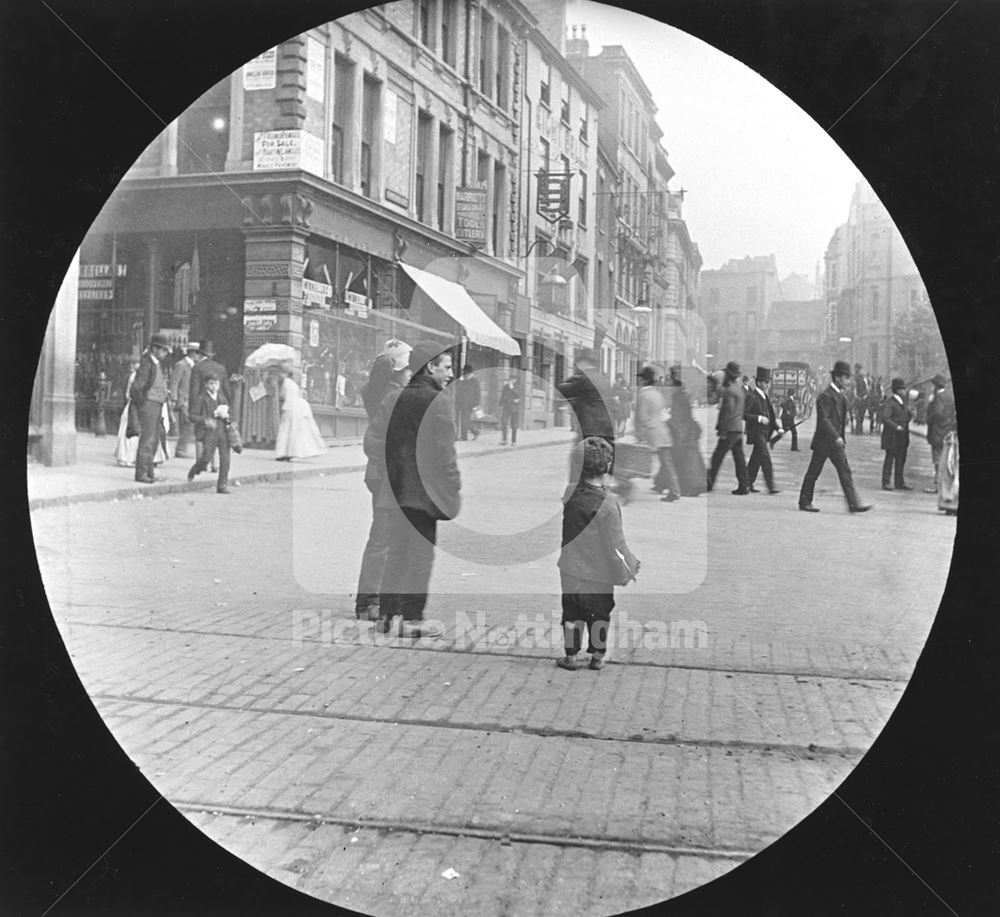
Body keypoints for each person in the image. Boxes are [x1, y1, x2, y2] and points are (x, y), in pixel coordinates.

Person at [366, 342, 460, 639]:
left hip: (393, 490)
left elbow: (373, 442)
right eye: (446, 367)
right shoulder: (440, 402)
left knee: (396, 552)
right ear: (430, 367)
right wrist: (452, 487)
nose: (451, 373)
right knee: (420, 556)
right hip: (424, 493)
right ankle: (412, 620)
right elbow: (446, 455)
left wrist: (392, 468)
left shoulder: (393, 398)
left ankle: (385, 615)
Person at [555, 437, 640, 672]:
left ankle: (571, 657)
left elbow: (583, 488)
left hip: (570, 569)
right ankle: (597, 657)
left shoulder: (570, 492)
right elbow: (616, 545)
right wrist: (629, 567)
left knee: (571, 613)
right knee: (600, 614)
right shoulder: (609, 504)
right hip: (598, 575)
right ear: (608, 466)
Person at [354, 340, 412, 622]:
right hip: (388, 472)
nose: (412, 373)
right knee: (383, 537)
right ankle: (369, 600)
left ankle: (374, 598)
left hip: (378, 472)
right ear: (397, 371)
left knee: (385, 536)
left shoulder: (377, 391)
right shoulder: (394, 396)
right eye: (408, 368)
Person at [798, 360, 872, 513]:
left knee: (845, 471)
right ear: (838, 378)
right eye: (846, 378)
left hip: (835, 443)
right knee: (814, 472)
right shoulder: (825, 396)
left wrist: (840, 438)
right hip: (824, 442)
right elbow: (824, 420)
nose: (848, 381)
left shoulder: (840, 395)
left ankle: (853, 503)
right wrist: (836, 436)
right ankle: (804, 501)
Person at [556, 347, 616, 488]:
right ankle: (601, 485)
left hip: (589, 426)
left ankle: (574, 489)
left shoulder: (583, 378)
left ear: (583, 362)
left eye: (578, 363)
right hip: (606, 426)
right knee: (602, 457)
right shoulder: (603, 379)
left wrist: (571, 378)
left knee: (578, 458)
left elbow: (564, 389)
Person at [129, 331, 173, 483]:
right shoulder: (147, 363)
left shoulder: (154, 363)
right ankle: (141, 473)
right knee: (148, 439)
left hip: (156, 405)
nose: (165, 353)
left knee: (154, 439)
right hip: (149, 405)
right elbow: (137, 387)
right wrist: (143, 403)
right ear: (155, 348)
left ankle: (149, 472)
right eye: (163, 350)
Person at [634, 366, 680, 502]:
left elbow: (642, 417)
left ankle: (624, 486)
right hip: (662, 430)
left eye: (639, 378)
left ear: (643, 380)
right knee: (667, 462)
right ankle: (674, 490)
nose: (638, 381)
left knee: (632, 462)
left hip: (650, 432)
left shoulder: (643, 395)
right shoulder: (657, 393)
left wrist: (639, 434)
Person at [114, 359, 168, 468]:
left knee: (142, 431)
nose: (134, 366)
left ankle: (136, 458)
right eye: (133, 363)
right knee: (138, 430)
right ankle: (139, 459)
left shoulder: (138, 375)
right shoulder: (138, 376)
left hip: (140, 404)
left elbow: (128, 394)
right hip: (140, 405)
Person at [706, 361, 750, 495]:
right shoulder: (740, 389)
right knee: (739, 459)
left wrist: (723, 430)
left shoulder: (729, 391)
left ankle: (708, 484)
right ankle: (744, 485)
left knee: (717, 457)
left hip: (729, 429)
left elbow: (727, 411)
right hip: (737, 428)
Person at [186, 372, 234, 494]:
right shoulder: (201, 398)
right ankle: (195, 469)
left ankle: (222, 485)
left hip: (222, 430)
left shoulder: (222, 398)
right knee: (206, 457)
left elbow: (230, 413)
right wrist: (205, 420)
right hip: (209, 432)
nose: (213, 386)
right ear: (205, 384)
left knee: (225, 459)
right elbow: (192, 416)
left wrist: (227, 416)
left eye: (216, 384)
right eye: (211, 383)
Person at [188, 341, 230, 470]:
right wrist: (225, 405)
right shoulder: (221, 368)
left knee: (201, 433)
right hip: (218, 403)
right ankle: (215, 464)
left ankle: (202, 464)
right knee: (217, 432)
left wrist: (192, 409)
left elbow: (194, 390)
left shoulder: (197, 368)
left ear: (200, 354)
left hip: (202, 403)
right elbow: (227, 389)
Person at [666, 366, 707, 496]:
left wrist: (670, 425)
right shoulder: (682, 394)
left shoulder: (677, 396)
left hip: (682, 431)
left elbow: (678, 416)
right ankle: (692, 486)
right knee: (689, 458)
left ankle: (688, 487)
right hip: (687, 429)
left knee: (683, 459)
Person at [274, 361, 327, 460]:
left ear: (284, 373)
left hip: (289, 409)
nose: (279, 375)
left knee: (286, 432)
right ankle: (289, 453)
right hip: (297, 408)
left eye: (280, 373)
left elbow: (283, 395)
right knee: (293, 431)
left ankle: (283, 453)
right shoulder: (294, 384)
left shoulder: (286, 383)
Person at [744, 366, 781, 494]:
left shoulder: (765, 396)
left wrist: (778, 428)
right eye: (766, 382)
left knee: (756, 458)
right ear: (759, 382)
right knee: (765, 457)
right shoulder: (752, 396)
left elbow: (770, 416)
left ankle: (747, 482)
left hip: (764, 433)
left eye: (769, 382)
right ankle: (771, 486)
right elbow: (744, 414)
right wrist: (759, 418)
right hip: (756, 431)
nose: (768, 384)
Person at [923, 374, 956, 493]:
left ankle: (937, 486)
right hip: (947, 433)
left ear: (935, 386)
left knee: (938, 461)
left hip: (937, 433)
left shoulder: (938, 398)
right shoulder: (950, 397)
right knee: (946, 460)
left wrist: (928, 418)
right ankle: (943, 486)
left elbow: (937, 413)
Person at [169, 341, 201, 459]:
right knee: (188, 424)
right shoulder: (181, 365)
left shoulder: (194, 366)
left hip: (190, 400)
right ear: (193, 353)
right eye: (199, 354)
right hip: (183, 400)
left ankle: (181, 448)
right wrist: (174, 399)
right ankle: (181, 449)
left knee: (188, 425)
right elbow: (174, 382)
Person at [880, 377, 912, 491]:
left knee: (901, 459)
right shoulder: (890, 402)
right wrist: (896, 426)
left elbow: (907, 415)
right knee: (890, 458)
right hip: (892, 436)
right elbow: (885, 418)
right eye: (903, 389)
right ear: (898, 390)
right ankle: (886, 482)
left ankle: (899, 482)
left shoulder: (903, 402)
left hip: (902, 436)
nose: (904, 391)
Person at [454, 364, 481, 441]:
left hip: (470, 405)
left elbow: (477, 394)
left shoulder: (475, 381)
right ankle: (475, 432)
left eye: (466, 373)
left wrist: (476, 404)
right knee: (464, 420)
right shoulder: (462, 381)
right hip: (461, 403)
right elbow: (459, 392)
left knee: (465, 421)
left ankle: (464, 436)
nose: (465, 374)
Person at [498, 375, 521, 445]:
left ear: (515, 380)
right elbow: (503, 395)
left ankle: (514, 441)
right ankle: (504, 440)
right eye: (511, 379)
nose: (512, 381)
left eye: (513, 379)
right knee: (504, 422)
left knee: (514, 425)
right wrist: (500, 404)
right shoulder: (505, 386)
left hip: (514, 407)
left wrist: (512, 388)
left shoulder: (517, 386)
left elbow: (518, 395)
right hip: (506, 406)